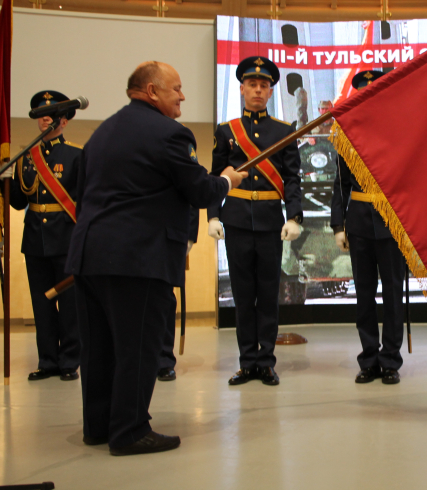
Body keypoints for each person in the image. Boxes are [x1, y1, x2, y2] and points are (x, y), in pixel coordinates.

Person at [65, 61, 245, 456]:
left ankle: (98, 426)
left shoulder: (102, 133)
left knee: (98, 348)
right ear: (151, 91)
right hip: (137, 259)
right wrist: (226, 181)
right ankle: (129, 431)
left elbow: (81, 192)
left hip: (89, 255)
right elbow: (199, 191)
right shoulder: (169, 134)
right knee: (138, 346)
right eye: (176, 88)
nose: (182, 96)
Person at [207, 56, 303, 387]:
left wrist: (294, 216)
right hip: (236, 221)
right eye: (252, 84)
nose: (258, 90)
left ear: (271, 91)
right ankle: (247, 362)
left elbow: (292, 178)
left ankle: (266, 363)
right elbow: (215, 177)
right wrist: (213, 214)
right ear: (242, 89)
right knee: (243, 296)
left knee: (268, 294)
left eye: (264, 85)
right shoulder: (226, 131)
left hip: (269, 222)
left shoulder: (283, 131)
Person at [330, 70, 406, 385]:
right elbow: (340, 184)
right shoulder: (347, 136)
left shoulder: (400, 134)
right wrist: (338, 225)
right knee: (364, 295)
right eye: (364, 94)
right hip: (359, 222)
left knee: (393, 294)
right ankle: (369, 359)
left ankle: (390, 361)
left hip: (391, 222)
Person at [3, 91, 82, 382]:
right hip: (35, 240)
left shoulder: (76, 155)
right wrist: (5, 182)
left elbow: (84, 201)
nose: (45, 119)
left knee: (70, 305)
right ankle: (47, 361)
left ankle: (69, 361)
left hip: (66, 239)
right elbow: (18, 203)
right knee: (42, 304)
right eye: (40, 115)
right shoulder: (26, 157)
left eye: (51, 115)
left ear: (64, 120)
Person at [157, 208, 199, 382]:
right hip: (132, 233)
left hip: (167, 235)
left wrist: (189, 235)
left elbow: (191, 199)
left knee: (164, 298)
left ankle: (164, 360)